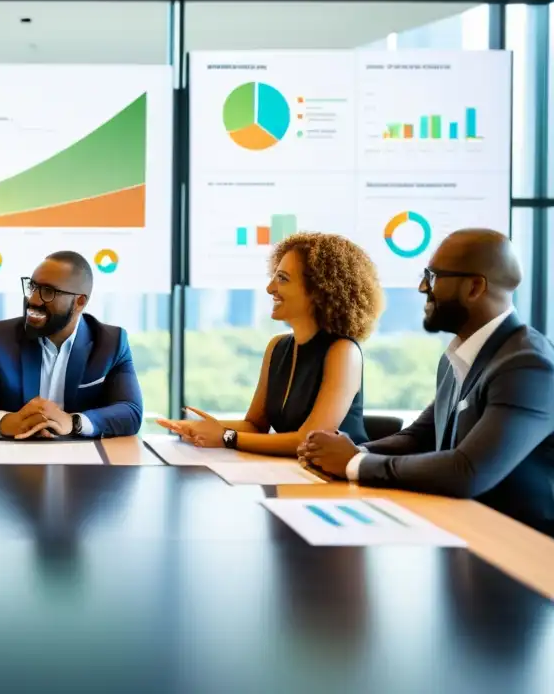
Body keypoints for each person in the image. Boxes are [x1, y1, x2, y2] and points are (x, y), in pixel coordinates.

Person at [300, 229, 554, 536]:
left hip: (519, 549)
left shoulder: (528, 365)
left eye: (433, 277)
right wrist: (350, 452)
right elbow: (418, 438)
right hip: (460, 530)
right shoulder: (456, 357)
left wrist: (354, 463)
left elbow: (467, 471)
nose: (422, 287)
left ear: (474, 287)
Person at [158, 232, 384, 456]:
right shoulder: (277, 347)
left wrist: (226, 436)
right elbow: (255, 426)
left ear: (319, 290)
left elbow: (308, 440)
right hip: (293, 475)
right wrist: (199, 427)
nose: (270, 288)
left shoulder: (343, 352)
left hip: (340, 482)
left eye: (282, 279)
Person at [0, 251, 143, 439]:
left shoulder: (111, 342)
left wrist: (73, 422)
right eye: (33, 287)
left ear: (79, 302)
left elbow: (130, 412)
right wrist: (8, 422)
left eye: (48, 291)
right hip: (12, 459)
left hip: (84, 463)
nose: (32, 299)